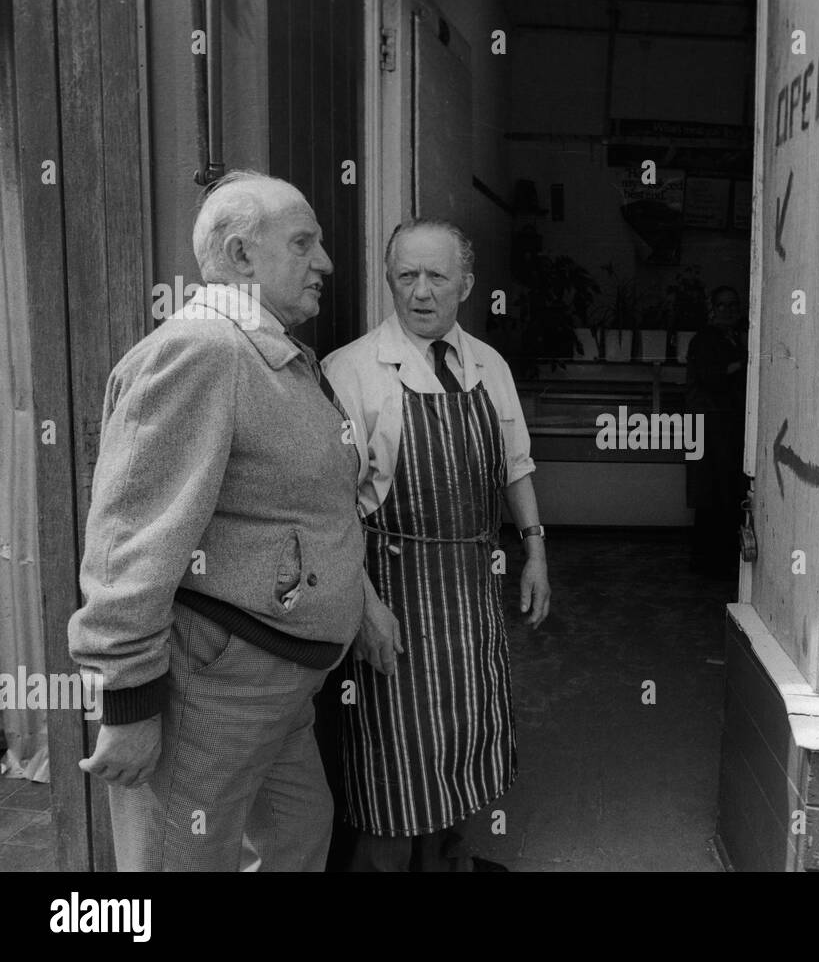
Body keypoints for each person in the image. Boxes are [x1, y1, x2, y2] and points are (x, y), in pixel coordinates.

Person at [67, 171, 400, 872]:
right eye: (303, 244)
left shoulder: (270, 351)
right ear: (242, 255)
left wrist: (361, 600)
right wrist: (126, 700)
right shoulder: (203, 351)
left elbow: (308, 506)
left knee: (298, 835)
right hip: (217, 687)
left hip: (282, 682)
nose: (326, 264)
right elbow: (131, 539)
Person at [323, 218, 551, 872]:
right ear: (389, 279)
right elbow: (332, 511)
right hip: (394, 593)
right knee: (394, 765)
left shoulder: (490, 365)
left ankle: (446, 862)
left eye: (437, 276)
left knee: (459, 745)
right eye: (406, 276)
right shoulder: (352, 371)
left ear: (467, 284)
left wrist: (534, 550)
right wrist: (366, 609)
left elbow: (516, 463)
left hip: (470, 596)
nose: (420, 292)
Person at [686, 285, 748, 578]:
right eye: (722, 305)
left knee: (724, 491)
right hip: (709, 423)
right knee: (711, 494)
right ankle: (708, 565)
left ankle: (720, 562)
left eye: (733, 305)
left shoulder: (733, 337)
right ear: (712, 307)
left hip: (724, 424)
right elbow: (710, 378)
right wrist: (742, 364)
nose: (728, 310)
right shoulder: (704, 340)